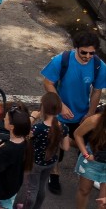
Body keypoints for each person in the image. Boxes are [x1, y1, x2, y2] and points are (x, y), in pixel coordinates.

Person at [40, 33, 105, 194]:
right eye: (84, 52)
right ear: (76, 48)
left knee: (82, 140)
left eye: (92, 53)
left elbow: (97, 91)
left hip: (82, 112)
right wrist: (61, 105)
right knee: (54, 142)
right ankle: (54, 173)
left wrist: (90, 113)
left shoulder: (99, 66)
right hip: (59, 111)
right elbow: (48, 82)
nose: (88, 56)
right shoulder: (61, 60)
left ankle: (86, 168)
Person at [24, 92, 65, 209]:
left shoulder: (38, 128)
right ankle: (37, 207)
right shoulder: (63, 127)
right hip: (51, 162)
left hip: (36, 162)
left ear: (43, 108)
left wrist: (32, 118)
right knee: (42, 186)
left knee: (32, 188)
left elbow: (24, 135)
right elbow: (65, 147)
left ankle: (28, 207)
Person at [73, 108, 106, 209]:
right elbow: (77, 134)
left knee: (104, 200)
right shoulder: (95, 120)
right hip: (91, 161)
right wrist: (86, 154)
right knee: (84, 190)